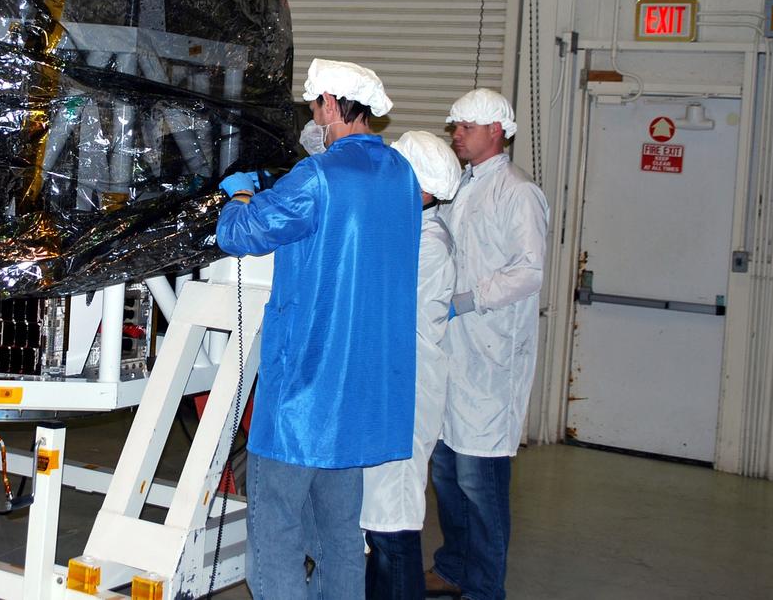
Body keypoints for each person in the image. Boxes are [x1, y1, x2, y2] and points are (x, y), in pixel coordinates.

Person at [216, 58, 421, 600]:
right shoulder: (402, 176)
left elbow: (243, 233)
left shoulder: (318, 177)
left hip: (302, 398)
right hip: (359, 400)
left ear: (330, 104)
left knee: (277, 536)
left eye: (314, 107)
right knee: (339, 537)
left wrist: (238, 196)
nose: (314, 117)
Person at [426, 88, 548, 600]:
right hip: (452, 351)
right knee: (446, 470)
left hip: (493, 355)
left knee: (480, 481)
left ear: (496, 131)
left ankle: (484, 588)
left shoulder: (517, 192)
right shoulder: (461, 187)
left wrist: (468, 301)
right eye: (455, 126)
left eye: (467, 127)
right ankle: (454, 566)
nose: (457, 134)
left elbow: (530, 272)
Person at [361, 131, 461, 600]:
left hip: (404, 390)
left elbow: (386, 311)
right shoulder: (408, 227)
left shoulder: (428, 244)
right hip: (388, 386)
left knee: (393, 525)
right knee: (377, 523)